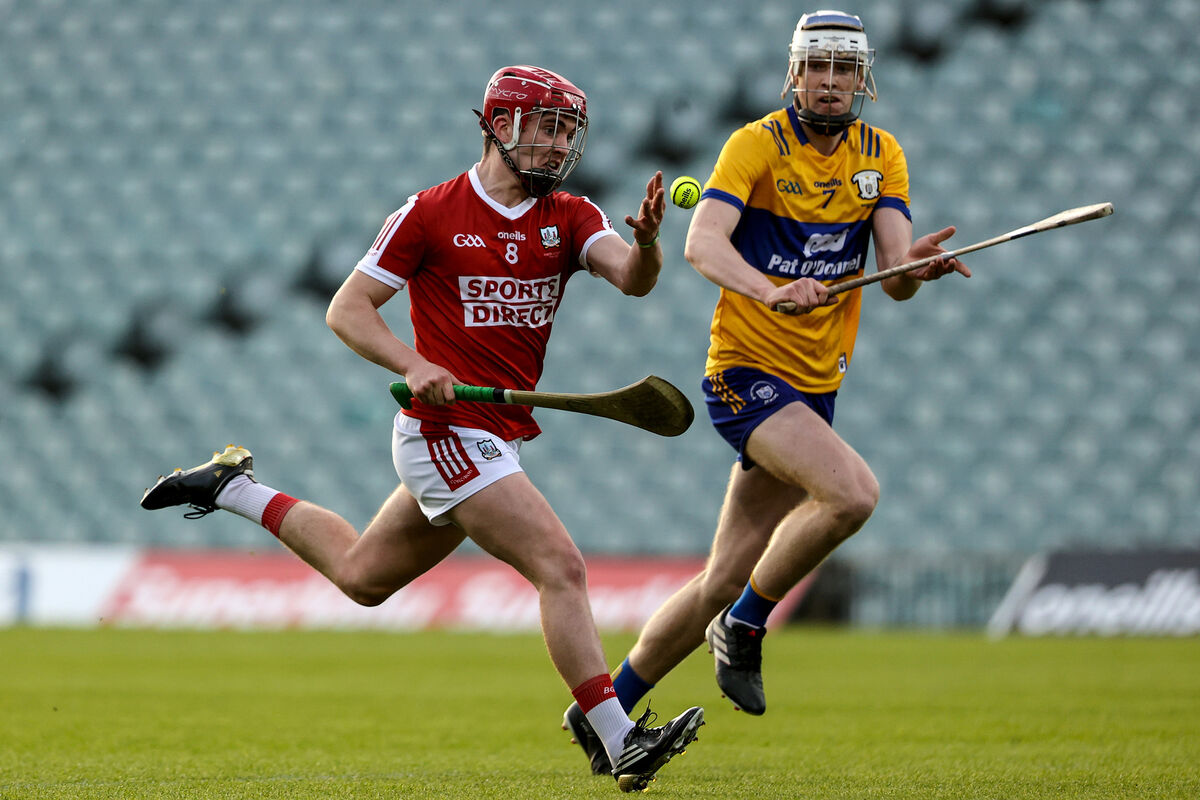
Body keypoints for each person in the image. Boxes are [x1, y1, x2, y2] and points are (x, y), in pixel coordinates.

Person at [141, 64, 703, 793]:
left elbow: (631, 278)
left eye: (569, 130)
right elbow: (347, 308)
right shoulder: (430, 213)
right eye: (546, 127)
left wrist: (652, 243)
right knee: (560, 568)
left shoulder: (571, 215)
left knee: (363, 578)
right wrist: (414, 362)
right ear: (499, 126)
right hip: (443, 428)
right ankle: (617, 737)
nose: (560, 145)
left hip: (493, 434)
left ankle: (233, 489)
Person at [561, 11, 971, 772]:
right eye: (815, 67)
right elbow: (701, 242)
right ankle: (748, 625)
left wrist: (915, 268)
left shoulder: (882, 156)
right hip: (744, 371)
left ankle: (602, 716)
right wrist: (770, 288)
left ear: (862, 79)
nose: (828, 81)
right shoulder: (754, 144)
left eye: (842, 69)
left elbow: (894, 278)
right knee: (852, 495)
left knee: (717, 575)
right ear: (795, 73)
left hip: (816, 385)